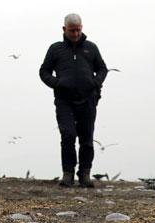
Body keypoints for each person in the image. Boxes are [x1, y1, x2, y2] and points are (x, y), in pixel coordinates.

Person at [39, 13, 108, 188]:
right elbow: (44, 71)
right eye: (72, 30)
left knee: (87, 138)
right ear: (64, 29)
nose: (76, 34)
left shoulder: (91, 48)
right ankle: (68, 173)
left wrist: (95, 82)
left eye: (78, 30)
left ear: (82, 28)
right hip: (64, 100)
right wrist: (57, 83)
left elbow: (102, 69)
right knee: (68, 135)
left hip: (88, 100)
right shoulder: (55, 49)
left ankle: (85, 174)